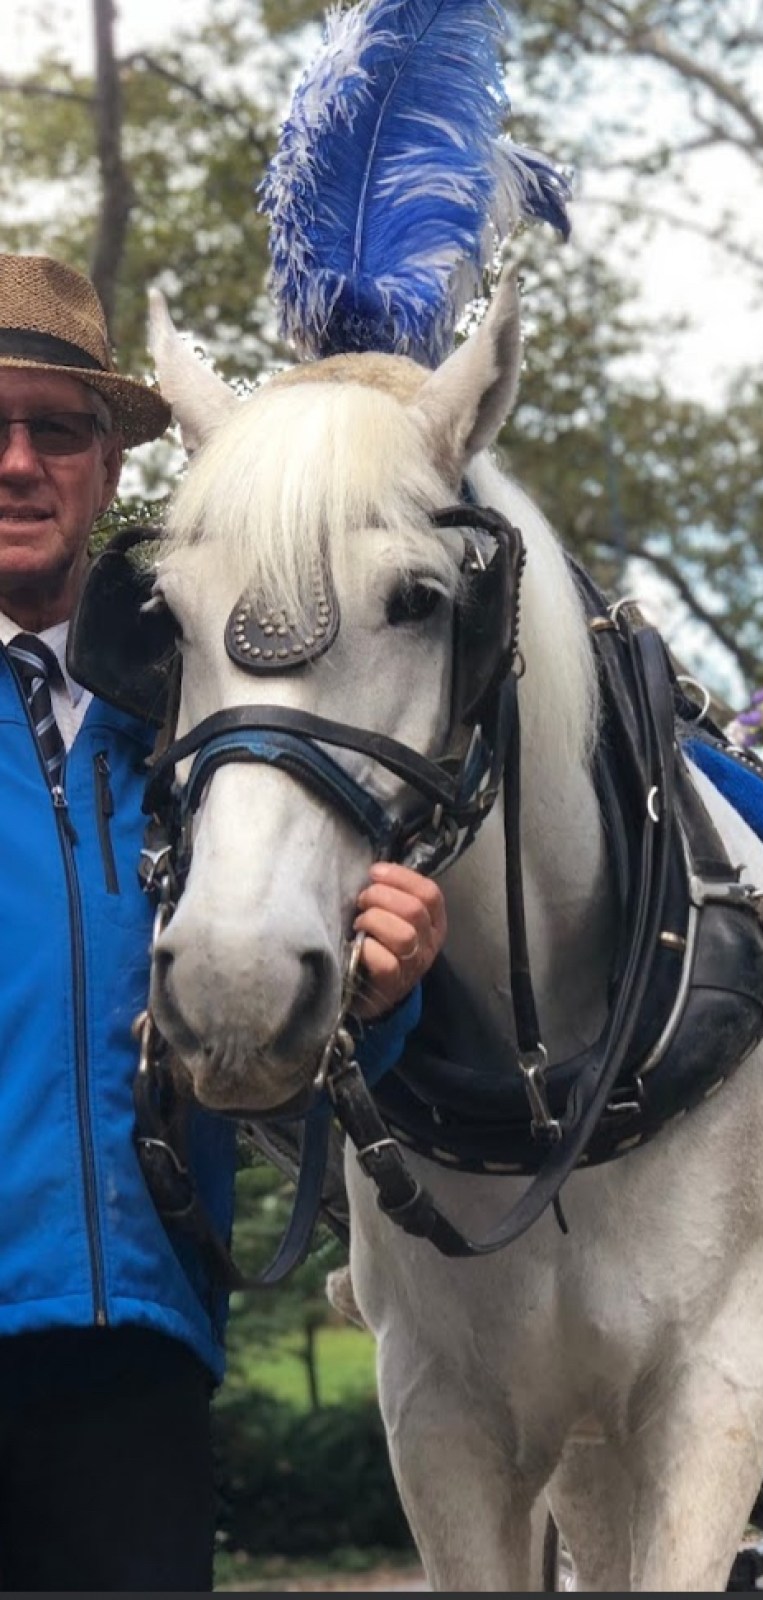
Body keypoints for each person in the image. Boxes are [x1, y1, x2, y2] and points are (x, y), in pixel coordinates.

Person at [0, 253, 446, 1591]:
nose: (18, 463)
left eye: (57, 429)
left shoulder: (204, 737)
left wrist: (387, 990)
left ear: (112, 467)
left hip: (137, 1343)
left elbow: (282, 1076)